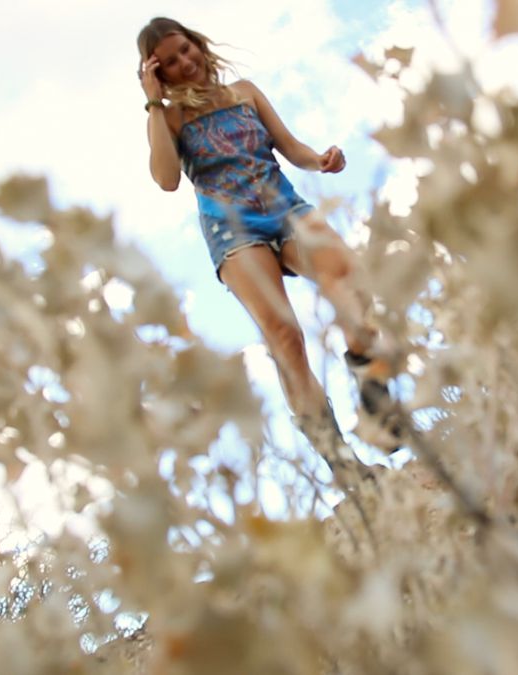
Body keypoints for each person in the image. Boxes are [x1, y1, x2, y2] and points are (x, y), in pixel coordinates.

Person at [136, 17, 399, 481]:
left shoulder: (244, 91)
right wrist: (154, 100)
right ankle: (342, 464)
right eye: (170, 62)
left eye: (186, 50)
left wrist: (320, 159)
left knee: (351, 279)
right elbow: (165, 178)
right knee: (285, 337)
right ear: (159, 71)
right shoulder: (169, 116)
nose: (184, 63)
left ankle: (367, 373)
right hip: (234, 231)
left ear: (198, 44)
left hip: (285, 208)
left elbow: (290, 147)